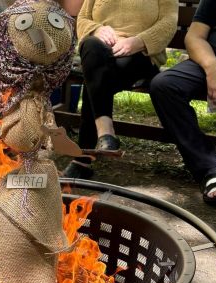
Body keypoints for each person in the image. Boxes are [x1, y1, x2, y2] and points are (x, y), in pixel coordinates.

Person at [62, 0, 178, 178]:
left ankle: (84, 158)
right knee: (92, 47)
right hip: (100, 52)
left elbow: (169, 22)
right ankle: (105, 133)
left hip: (141, 55)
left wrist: (138, 41)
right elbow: (83, 18)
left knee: (96, 75)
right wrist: (96, 30)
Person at [150, 0, 216, 205]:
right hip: (212, 62)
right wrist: (213, 67)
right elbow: (195, 36)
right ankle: (211, 169)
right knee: (165, 86)